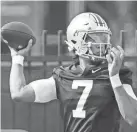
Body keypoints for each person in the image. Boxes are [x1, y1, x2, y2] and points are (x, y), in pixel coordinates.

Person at [5, 12, 137, 132]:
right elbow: (19, 93)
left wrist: (114, 78)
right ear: (77, 41)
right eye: (95, 38)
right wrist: (17, 57)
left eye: (103, 37)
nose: (101, 43)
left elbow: (134, 118)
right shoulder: (63, 78)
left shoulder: (116, 74)